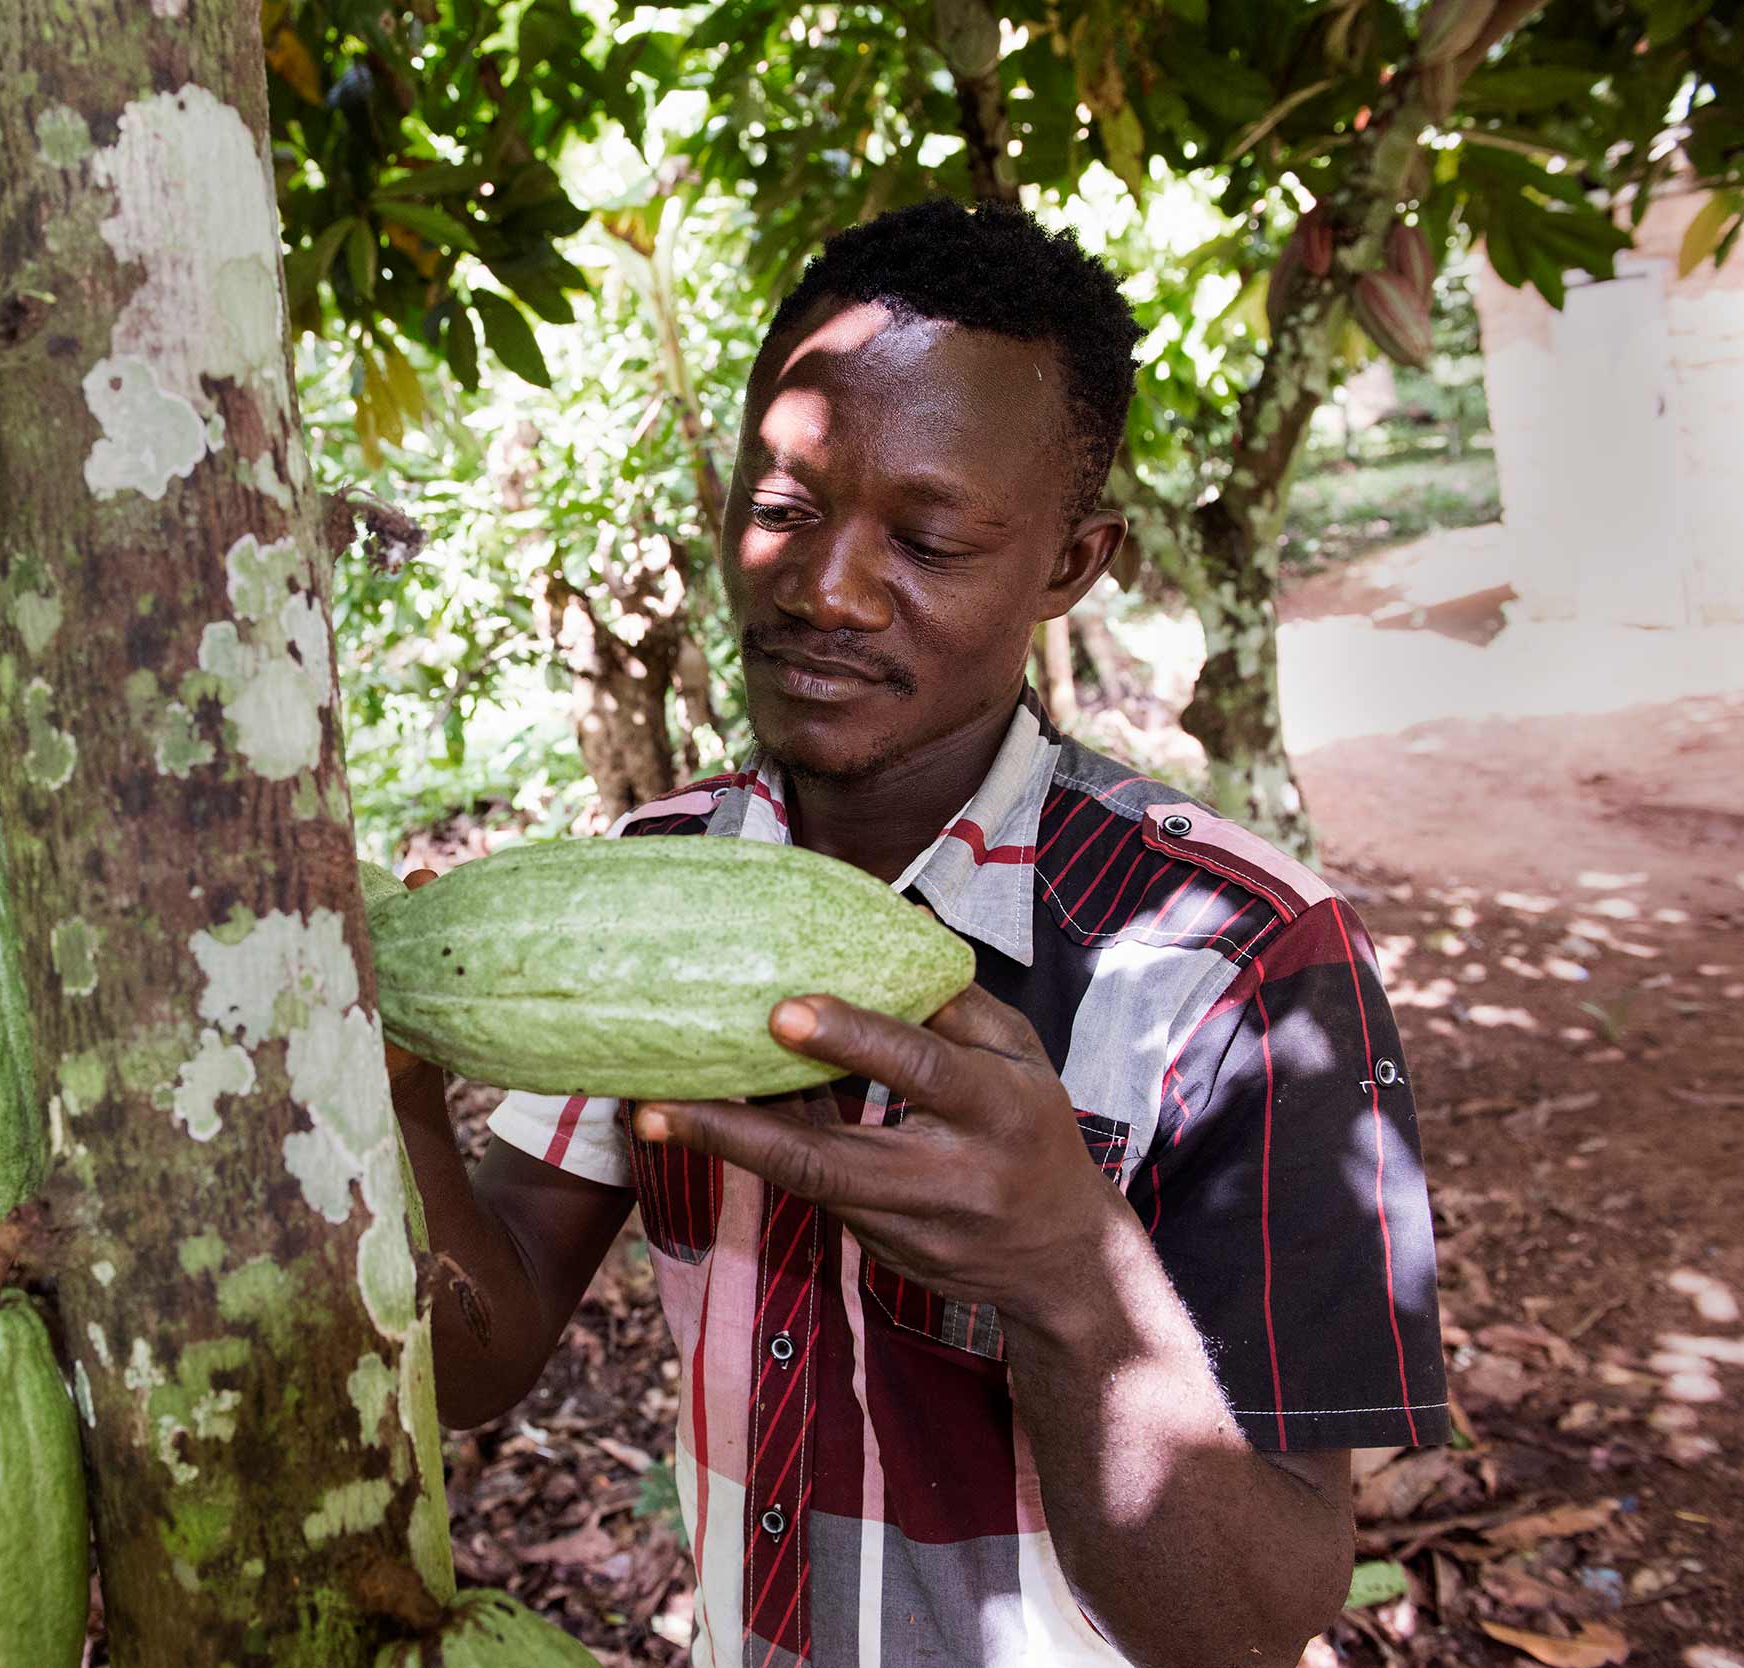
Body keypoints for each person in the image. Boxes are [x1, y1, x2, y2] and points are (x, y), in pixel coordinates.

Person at [384, 199, 1446, 1668]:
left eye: (931, 539)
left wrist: (1075, 1279)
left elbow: (1255, 1619)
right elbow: (481, 1350)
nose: (826, 590)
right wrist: (388, 1098)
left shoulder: (1241, 961)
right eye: (785, 508)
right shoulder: (654, 882)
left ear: (1073, 565)